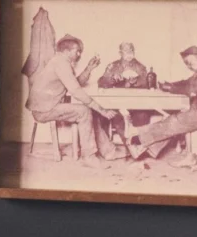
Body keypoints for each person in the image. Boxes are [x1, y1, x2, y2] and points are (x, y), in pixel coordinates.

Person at [26, 34, 124, 164]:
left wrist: (89, 68)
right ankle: (89, 156)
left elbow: (74, 83)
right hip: (44, 110)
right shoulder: (60, 63)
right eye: (77, 51)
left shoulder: (60, 61)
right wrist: (103, 110)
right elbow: (76, 90)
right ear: (66, 51)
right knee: (85, 111)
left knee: (89, 111)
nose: (79, 54)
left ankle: (108, 152)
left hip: (46, 107)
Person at [126, 46, 197, 162]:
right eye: (187, 64)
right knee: (172, 122)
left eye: (189, 63)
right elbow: (187, 82)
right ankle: (145, 148)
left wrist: (170, 88)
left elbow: (192, 90)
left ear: (196, 58)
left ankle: (137, 140)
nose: (188, 66)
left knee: (172, 123)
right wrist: (170, 85)